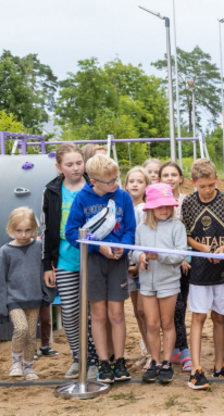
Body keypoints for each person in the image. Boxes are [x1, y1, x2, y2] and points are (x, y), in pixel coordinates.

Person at [65, 154, 136, 384]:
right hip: (93, 263)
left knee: (116, 314)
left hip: (117, 263)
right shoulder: (82, 199)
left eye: (117, 177)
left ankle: (120, 361)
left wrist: (121, 248)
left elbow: (130, 230)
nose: (116, 183)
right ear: (94, 181)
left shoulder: (123, 197)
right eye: (110, 180)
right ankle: (103, 363)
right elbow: (72, 232)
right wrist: (98, 247)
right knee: (98, 314)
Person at [40, 143, 100, 379]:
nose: (75, 168)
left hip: (93, 257)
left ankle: (95, 360)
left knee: (92, 314)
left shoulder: (95, 185)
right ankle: (78, 358)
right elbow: (45, 229)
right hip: (64, 259)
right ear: (59, 167)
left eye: (79, 163)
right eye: (69, 164)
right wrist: (47, 264)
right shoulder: (51, 190)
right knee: (70, 312)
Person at [182, 159, 224, 390]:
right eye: (202, 185)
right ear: (193, 182)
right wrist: (203, 249)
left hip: (223, 269)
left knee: (220, 317)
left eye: (211, 185)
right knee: (198, 317)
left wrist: (223, 249)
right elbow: (185, 234)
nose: (207, 190)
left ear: (217, 179)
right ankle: (196, 370)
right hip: (199, 270)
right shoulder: (188, 202)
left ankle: (219, 365)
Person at [132, 183, 187, 384]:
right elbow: (133, 249)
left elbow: (181, 253)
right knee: (152, 324)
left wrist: (160, 256)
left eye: (167, 205)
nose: (164, 210)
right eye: (159, 206)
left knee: (167, 322)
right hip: (146, 283)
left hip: (169, 282)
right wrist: (140, 257)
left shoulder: (177, 226)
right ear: (150, 207)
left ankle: (167, 362)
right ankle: (154, 361)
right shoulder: (141, 227)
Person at [1, 208, 55, 380]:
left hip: (34, 299)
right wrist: (3, 303)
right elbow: (2, 279)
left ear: (34, 229)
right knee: (21, 328)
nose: (23, 235)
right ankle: (16, 362)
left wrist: (47, 293)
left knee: (31, 335)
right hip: (14, 299)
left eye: (27, 230)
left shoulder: (39, 247)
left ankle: (28, 367)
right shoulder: (5, 251)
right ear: (11, 229)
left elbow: (46, 270)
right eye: (19, 230)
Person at [160, 161, 192, 372]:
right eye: (166, 175)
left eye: (174, 174)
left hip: (185, 263)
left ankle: (181, 348)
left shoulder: (187, 202)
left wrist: (184, 257)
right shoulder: (156, 203)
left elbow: (191, 233)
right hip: (162, 264)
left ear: (181, 178)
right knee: (169, 310)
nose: (170, 178)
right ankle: (179, 349)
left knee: (180, 307)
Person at [123, 166, 151, 370]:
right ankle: (148, 352)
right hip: (127, 265)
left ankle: (153, 353)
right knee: (137, 311)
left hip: (142, 266)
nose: (135, 184)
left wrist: (136, 262)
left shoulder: (145, 210)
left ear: (146, 186)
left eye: (139, 181)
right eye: (131, 181)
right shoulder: (122, 208)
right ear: (125, 185)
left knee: (144, 309)